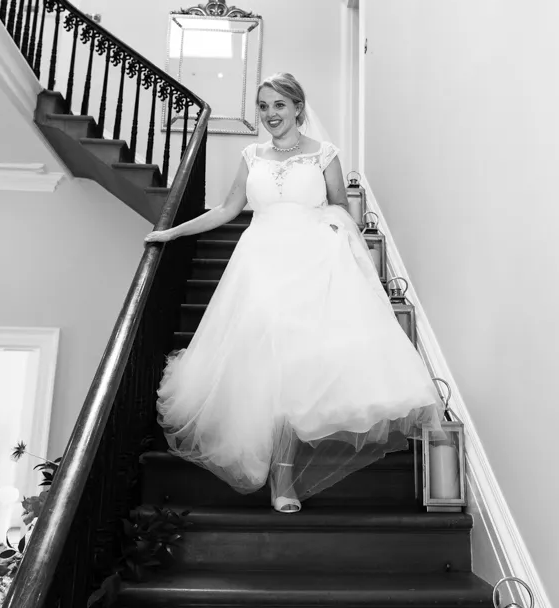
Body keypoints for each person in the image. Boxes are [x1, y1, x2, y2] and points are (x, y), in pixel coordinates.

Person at [144, 73, 445, 513]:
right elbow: (228, 210)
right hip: (260, 263)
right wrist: (170, 233)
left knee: (296, 366)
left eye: (279, 105)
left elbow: (341, 205)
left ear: (298, 108)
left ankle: (283, 480)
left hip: (312, 261)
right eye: (264, 106)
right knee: (266, 365)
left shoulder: (325, 154)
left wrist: (333, 233)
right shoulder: (252, 154)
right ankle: (274, 470)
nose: (270, 114)